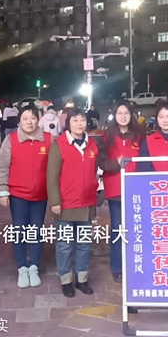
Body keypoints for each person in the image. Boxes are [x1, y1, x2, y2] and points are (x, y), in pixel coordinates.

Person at [0, 104, 51, 289]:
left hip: (40, 196)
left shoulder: (49, 140)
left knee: (36, 231)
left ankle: (33, 267)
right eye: (25, 118)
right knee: (19, 231)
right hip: (18, 195)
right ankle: (22, 268)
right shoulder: (10, 140)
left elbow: (56, 167)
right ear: (19, 120)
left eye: (33, 118)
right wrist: (2, 191)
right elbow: (3, 167)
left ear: (38, 119)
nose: (29, 122)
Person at [47, 108, 99, 298]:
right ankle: (66, 280)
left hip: (86, 204)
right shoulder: (59, 145)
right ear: (68, 123)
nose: (79, 124)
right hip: (66, 204)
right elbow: (52, 177)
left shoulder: (92, 144)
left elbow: (94, 171)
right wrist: (55, 200)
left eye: (82, 120)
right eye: (75, 120)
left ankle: (82, 279)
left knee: (84, 244)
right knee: (65, 245)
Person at [96, 102, 144, 283]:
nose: (123, 117)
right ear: (114, 116)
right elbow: (101, 161)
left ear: (131, 115)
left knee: (135, 228)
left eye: (126, 113)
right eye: (119, 113)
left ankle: (135, 264)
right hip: (115, 189)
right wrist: (116, 163)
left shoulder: (140, 136)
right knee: (117, 228)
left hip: (136, 188)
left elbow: (146, 161)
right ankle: (117, 267)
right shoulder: (107, 137)